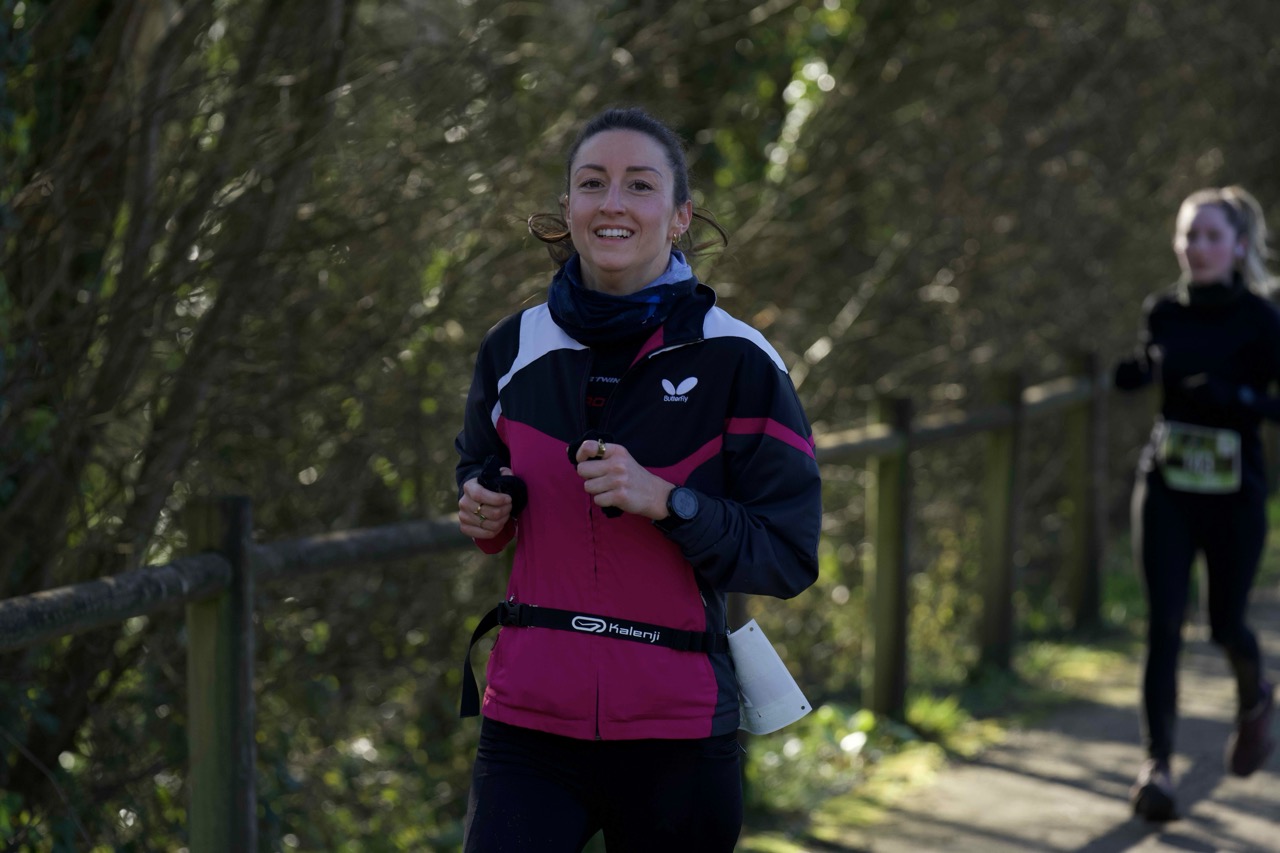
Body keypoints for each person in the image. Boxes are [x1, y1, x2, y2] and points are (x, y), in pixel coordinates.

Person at [453, 107, 822, 852]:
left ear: (680, 215)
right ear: (569, 208)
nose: (612, 202)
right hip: (529, 722)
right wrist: (486, 507)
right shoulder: (511, 347)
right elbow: (482, 471)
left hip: (677, 732)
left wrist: (669, 502)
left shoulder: (739, 358)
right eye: (592, 183)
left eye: (640, 185)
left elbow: (787, 553)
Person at [1115, 185, 1279, 821]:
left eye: (1211, 236)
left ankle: (1255, 696)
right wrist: (1138, 372)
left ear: (1238, 247)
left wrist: (1239, 399)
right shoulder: (1162, 311)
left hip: (1235, 495)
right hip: (1168, 486)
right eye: (1189, 234)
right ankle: (1156, 767)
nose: (1198, 247)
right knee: (1164, 624)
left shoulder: (1261, 319)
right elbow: (1152, 363)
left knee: (1225, 624)